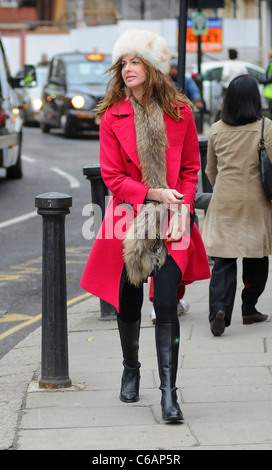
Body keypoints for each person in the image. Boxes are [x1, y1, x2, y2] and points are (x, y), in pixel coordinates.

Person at [80, 28, 210, 423]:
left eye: (135, 61)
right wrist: (156, 195)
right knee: (128, 300)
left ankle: (169, 391)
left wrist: (183, 206)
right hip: (127, 217)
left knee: (166, 303)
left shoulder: (180, 112)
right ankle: (131, 368)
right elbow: (112, 176)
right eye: (123, 63)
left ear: (153, 68)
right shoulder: (111, 115)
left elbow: (190, 168)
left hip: (173, 219)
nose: (127, 69)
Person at [202, 74, 272, 337]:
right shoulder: (266, 127)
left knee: (223, 259)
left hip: (224, 199)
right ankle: (249, 308)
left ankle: (219, 310)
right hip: (257, 201)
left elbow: (210, 170)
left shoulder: (217, 129)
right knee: (256, 255)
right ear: (255, 99)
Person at [259, 49, 272, 117]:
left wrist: (261, 81)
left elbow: (270, 78)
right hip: (269, 92)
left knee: (270, 111)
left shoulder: (271, 63)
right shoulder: (269, 63)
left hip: (270, 92)